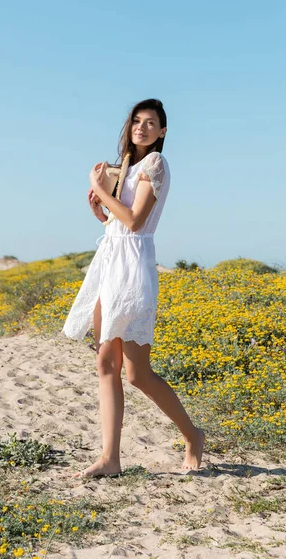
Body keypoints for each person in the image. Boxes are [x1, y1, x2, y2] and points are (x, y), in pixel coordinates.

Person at [61, 99, 205, 477]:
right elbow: (119, 223)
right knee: (105, 362)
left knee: (137, 373)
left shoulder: (155, 164)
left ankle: (193, 435)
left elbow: (137, 223)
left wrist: (98, 188)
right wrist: (100, 212)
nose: (141, 127)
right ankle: (110, 459)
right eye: (137, 121)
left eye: (151, 122)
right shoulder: (125, 167)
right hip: (110, 262)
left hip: (134, 268)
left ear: (162, 131)